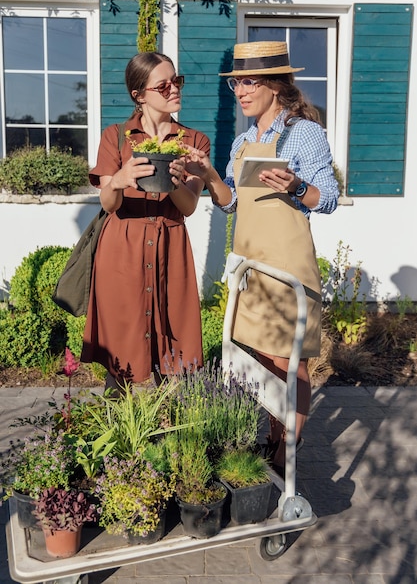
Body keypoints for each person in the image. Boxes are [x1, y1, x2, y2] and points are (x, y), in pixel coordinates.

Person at [184, 41, 339, 473]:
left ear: (276, 84)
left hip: (288, 265)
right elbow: (231, 202)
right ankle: (273, 436)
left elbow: (327, 197)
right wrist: (210, 175)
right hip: (251, 265)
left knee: (291, 361)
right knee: (260, 359)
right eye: (236, 82)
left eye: (250, 81)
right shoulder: (242, 142)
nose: (240, 90)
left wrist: (294, 187)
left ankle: (288, 448)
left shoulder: (303, 132)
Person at [81, 52, 210, 391]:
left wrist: (176, 181)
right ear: (139, 95)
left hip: (171, 249)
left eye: (176, 82)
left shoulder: (194, 141)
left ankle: (172, 436)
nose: (173, 90)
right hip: (122, 250)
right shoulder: (116, 137)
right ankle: (121, 436)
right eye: (163, 85)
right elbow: (109, 204)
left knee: (174, 356)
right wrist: (120, 179)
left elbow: (189, 206)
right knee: (122, 357)